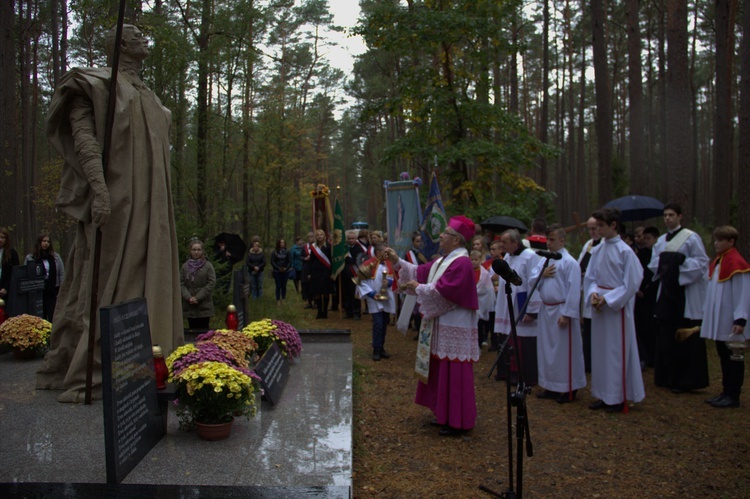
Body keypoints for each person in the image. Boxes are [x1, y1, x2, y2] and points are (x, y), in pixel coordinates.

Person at [38, 25, 183, 403]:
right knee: (109, 278)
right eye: (136, 35)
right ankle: (101, 363)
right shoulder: (95, 84)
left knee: (151, 274)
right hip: (119, 204)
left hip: (154, 207)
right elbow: (83, 138)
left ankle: (151, 357)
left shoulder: (151, 98)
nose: (144, 39)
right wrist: (99, 190)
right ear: (120, 43)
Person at [388, 215, 479, 436]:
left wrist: (418, 287)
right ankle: (444, 414)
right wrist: (396, 261)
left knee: (454, 370)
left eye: (445, 232)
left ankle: (458, 421)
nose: (440, 235)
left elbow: (448, 291)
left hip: (455, 324)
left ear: (456, 240)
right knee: (441, 368)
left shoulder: (462, 263)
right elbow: (421, 271)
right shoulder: (445, 260)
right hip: (442, 322)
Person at [584, 208, 645, 413]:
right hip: (600, 306)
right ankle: (603, 393)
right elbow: (590, 277)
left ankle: (617, 396)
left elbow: (632, 283)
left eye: (601, 226)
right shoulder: (598, 249)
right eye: (597, 226)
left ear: (613, 225)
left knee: (615, 352)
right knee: (600, 351)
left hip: (615, 309)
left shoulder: (625, 251)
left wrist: (607, 299)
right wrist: (592, 293)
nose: (598, 230)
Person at [648, 203, 709, 394]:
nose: (668, 218)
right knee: (666, 336)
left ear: (680, 216)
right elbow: (654, 263)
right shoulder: (661, 240)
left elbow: (701, 262)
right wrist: (667, 267)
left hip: (684, 293)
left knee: (684, 336)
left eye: (671, 215)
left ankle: (685, 380)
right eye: (665, 215)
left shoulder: (691, 238)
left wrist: (677, 267)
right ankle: (666, 376)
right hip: (666, 293)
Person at [530, 224, 585, 403]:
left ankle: (569, 388)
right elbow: (531, 280)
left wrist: (568, 314)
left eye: (552, 239)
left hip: (561, 310)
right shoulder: (545, 260)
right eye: (548, 239)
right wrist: (542, 274)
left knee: (564, 351)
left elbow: (574, 290)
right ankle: (550, 385)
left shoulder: (570, 262)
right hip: (546, 309)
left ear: (562, 240)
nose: (549, 243)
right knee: (547, 351)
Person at [700, 226, 749, 408]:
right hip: (719, 318)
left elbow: (743, 294)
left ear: (731, 242)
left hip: (731, 320)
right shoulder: (718, 262)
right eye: (716, 240)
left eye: (720, 240)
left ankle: (733, 394)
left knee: (733, 355)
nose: (716, 243)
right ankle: (725, 391)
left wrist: (740, 319)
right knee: (723, 353)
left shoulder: (737, 263)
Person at [492, 228, 541, 385]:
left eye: (505, 242)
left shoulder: (531, 257)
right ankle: (506, 372)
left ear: (515, 242)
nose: (502, 245)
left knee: (521, 341)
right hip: (506, 303)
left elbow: (534, 282)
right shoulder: (508, 256)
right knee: (506, 337)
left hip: (520, 303)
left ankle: (522, 374)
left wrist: (532, 310)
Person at [357, 243, 397, 361]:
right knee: (378, 323)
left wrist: (389, 283)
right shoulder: (368, 265)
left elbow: (394, 278)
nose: (387, 254)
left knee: (385, 322)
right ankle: (376, 348)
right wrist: (371, 294)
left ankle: (382, 347)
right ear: (378, 253)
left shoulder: (389, 264)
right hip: (374, 298)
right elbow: (361, 281)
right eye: (385, 252)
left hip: (386, 298)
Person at [577, 216, 602, 373]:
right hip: (587, 290)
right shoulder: (589, 244)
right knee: (587, 328)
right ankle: (587, 361)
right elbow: (580, 263)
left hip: (599, 293)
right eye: (589, 229)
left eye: (595, 228)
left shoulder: (605, 246)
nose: (592, 232)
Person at [24, 233, 65, 322]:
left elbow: (61, 273)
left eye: (48, 242)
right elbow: (26, 275)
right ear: (39, 242)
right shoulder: (31, 257)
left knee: (52, 314)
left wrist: (61, 289)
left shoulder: (55, 257)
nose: (46, 243)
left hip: (52, 289)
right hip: (38, 290)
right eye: (44, 241)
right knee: (39, 315)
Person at [634, 226, 660, 368]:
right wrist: (638, 289)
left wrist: (647, 290)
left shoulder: (657, 254)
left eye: (649, 238)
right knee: (642, 326)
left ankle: (652, 355)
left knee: (652, 327)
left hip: (652, 295)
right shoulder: (641, 254)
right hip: (640, 295)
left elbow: (655, 276)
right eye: (644, 238)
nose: (645, 241)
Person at [180, 239, 216, 330]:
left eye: (199, 250)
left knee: (203, 331)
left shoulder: (208, 266)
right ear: (190, 251)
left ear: (202, 251)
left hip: (204, 304)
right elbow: (181, 283)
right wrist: (189, 297)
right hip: (189, 304)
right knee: (192, 329)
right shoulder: (185, 267)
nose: (196, 252)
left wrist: (198, 297)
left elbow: (211, 282)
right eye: (194, 249)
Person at [471, 250, 495, 350]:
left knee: (479, 324)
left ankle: (479, 342)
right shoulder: (468, 271)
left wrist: (477, 291)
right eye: (471, 260)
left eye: (476, 259)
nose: (474, 262)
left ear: (481, 260)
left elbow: (488, 289)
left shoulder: (484, 274)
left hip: (481, 302)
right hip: (471, 301)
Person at [309, 229, 334, 319]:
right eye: (318, 235)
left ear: (324, 236)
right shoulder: (314, 247)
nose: (320, 236)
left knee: (326, 292)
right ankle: (319, 312)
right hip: (316, 272)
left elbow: (331, 260)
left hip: (326, 271)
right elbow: (311, 260)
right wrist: (309, 273)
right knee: (317, 292)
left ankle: (325, 312)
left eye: (321, 235)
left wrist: (332, 273)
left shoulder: (329, 246)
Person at [343, 229, 364, 320]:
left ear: (356, 239)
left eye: (352, 238)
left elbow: (357, 261)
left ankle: (356, 312)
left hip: (354, 273)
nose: (351, 240)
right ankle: (348, 311)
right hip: (345, 273)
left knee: (355, 294)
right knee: (346, 293)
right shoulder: (345, 248)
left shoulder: (359, 248)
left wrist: (348, 258)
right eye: (349, 238)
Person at [0, 227, 21, 300]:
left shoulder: (12, 253)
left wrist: (6, 288)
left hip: (8, 290)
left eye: (3, 237)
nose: (0, 240)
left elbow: (15, 273)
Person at [270, 239, 292, 306]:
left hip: (285, 271)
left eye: (283, 242)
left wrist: (286, 268)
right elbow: (272, 262)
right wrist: (278, 268)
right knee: (278, 285)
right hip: (277, 271)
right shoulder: (274, 252)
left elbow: (290, 261)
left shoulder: (287, 252)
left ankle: (283, 299)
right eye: (281, 242)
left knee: (284, 285)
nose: (282, 243)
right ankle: (278, 300)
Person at [300, 232, 315, 308]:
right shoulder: (304, 246)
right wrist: (305, 258)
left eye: (312, 237)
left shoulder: (317, 246)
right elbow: (301, 256)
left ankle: (316, 302)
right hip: (306, 267)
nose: (310, 238)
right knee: (307, 284)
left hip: (314, 267)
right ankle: (309, 302)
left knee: (314, 285)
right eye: (309, 237)